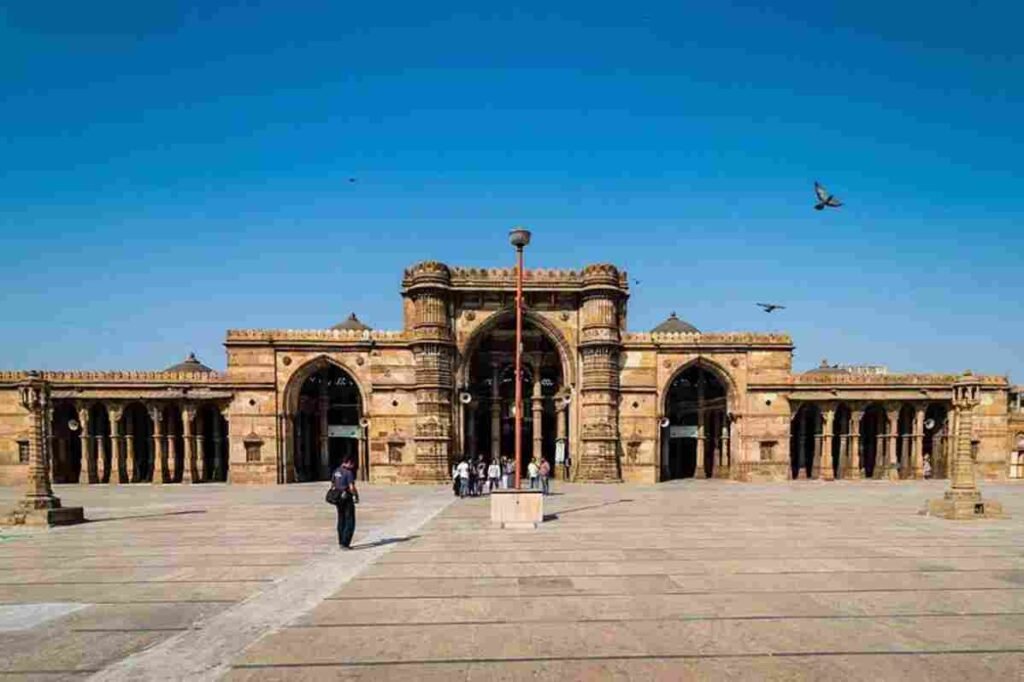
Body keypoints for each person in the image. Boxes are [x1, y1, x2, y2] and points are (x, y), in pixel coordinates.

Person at [331, 457, 359, 549]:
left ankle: (340, 541)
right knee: (350, 521)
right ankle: (345, 542)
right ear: (348, 463)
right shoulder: (348, 472)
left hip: (338, 497)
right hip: (346, 498)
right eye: (352, 464)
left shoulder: (336, 471)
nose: (353, 466)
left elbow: (333, 485)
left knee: (341, 519)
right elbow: (351, 487)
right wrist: (355, 495)